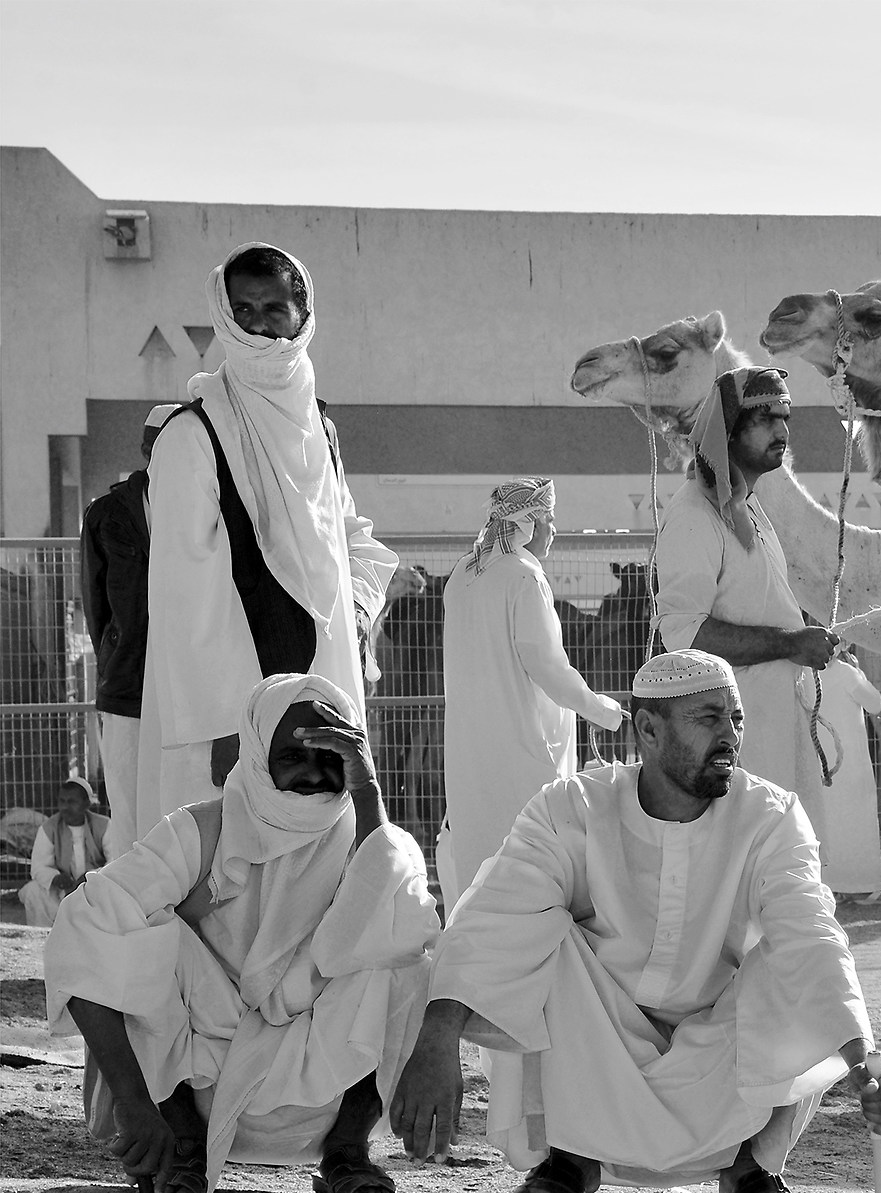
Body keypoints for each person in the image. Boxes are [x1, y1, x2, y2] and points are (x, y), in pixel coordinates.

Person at [389, 650, 881, 1193]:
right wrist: (439, 1031)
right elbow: (495, 911)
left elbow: (811, 934)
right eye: (709, 718)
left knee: (786, 956)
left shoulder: (771, 817)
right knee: (540, 933)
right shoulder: (570, 808)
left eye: (736, 719)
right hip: (598, 1036)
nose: (730, 736)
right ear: (649, 730)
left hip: (716, 1040)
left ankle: (754, 1171)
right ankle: (569, 1162)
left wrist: (862, 1059)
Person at [44, 675, 437, 1193]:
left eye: (332, 756)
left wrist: (368, 795)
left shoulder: (368, 838)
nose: (314, 772)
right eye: (293, 755)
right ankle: (186, 1146)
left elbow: (407, 924)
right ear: (257, 754)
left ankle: (348, 1151)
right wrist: (133, 1103)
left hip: (321, 1088)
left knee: (402, 944)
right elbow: (83, 926)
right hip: (196, 1079)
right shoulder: (202, 830)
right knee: (132, 928)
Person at [134, 244, 398, 840]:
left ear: (302, 314)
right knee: (226, 873)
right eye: (243, 308)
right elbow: (187, 597)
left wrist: (353, 613)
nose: (259, 324)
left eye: (275, 307)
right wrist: (232, 728)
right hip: (229, 724)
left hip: (324, 693)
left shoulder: (319, 431)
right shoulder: (191, 436)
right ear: (223, 315)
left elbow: (354, 542)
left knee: (323, 873)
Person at [436, 477, 625, 912]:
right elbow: (548, 669)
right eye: (548, 521)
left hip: (469, 752)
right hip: (520, 749)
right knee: (530, 859)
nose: (553, 531)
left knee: (478, 864)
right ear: (527, 524)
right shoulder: (523, 578)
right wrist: (606, 711)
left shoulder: (463, 575)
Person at [651, 365, 837, 799]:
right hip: (732, 740)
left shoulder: (747, 508)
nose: (781, 429)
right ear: (729, 431)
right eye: (764, 419)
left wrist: (803, 641)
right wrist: (790, 643)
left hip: (775, 723)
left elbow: (765, 606)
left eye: (785, 417)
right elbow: (684, 633)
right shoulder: (694, 515)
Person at [83, 405, 175, 812]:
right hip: (127, 684)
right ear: (145, 447)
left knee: (180, 807)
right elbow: (95, 604)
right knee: (128, 805)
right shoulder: (107, 514)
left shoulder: (213, 509)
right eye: (162, 445)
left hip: (185, 687)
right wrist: (116, 647)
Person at [801, 647, 881, 897]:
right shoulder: (848, 673)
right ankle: (865, 886)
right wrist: (859, 671)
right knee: (858, 819)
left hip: (820, 760)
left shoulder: (805, 674)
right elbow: (875, 703)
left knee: (827, 821)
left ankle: (832, 885)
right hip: (850, 761)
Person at [20, 778, 111, 928]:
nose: (65, 807)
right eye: (62, 801)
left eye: (72, 802)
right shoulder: (48, 828)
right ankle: (43, 935)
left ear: (87, 804)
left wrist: (91, 877)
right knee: (33, 891)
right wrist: (56, 878)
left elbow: (114, 862)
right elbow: (38, 867)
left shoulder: (104, 825)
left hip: (95, 889)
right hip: (62, 891)